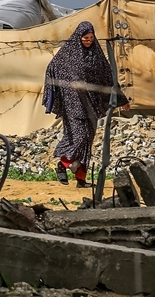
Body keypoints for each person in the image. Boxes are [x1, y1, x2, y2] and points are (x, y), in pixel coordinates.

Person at [43, 22, 129, 188]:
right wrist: (60, 89)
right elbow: (52, 69)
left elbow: (108, 80)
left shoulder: (97, 56)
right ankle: (63, 164)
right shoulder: (67, 53)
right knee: (78, 136)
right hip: (72, 103)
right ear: (78, 37)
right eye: (85, 38)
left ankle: (81, 179)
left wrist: (122, 100)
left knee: (87, 140)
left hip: (92, 103)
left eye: (91, 38)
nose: (88, 41)